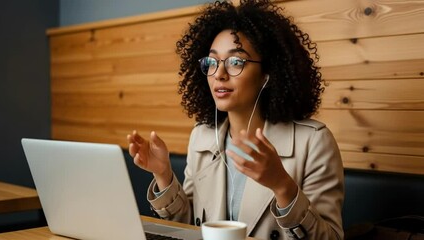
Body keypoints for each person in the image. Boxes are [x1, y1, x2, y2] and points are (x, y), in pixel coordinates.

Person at [127, 0, 344, 239]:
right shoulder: (202, 136)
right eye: (212, 62)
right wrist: (163, 174)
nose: (219, 74)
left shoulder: (313, 142)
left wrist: (283, 186)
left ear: (267, 75)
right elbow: (190, 228)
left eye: (236, 62)